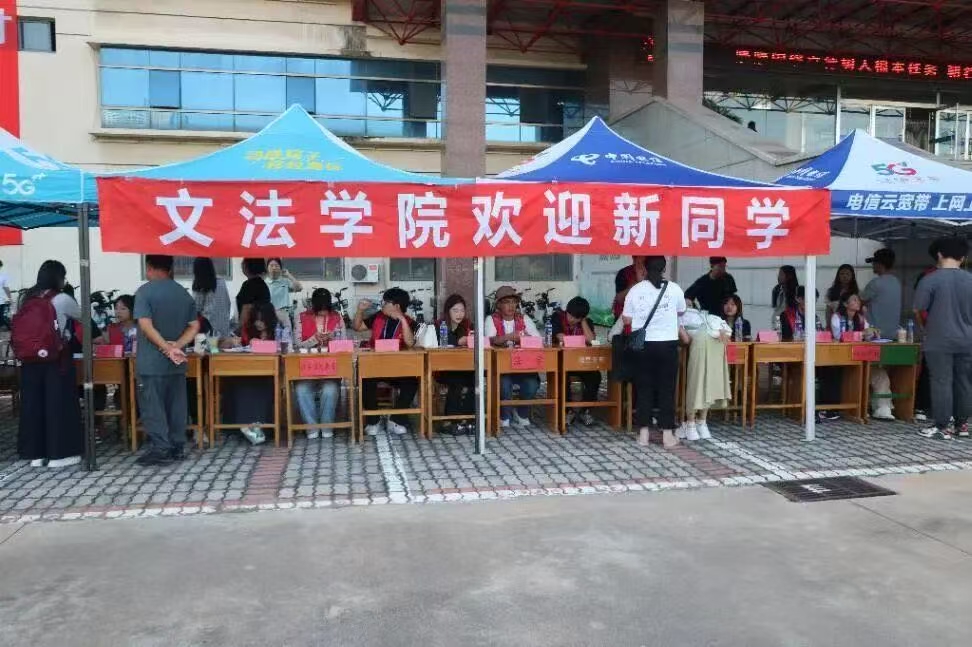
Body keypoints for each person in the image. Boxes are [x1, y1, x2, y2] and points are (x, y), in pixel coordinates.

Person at [15, 260, 83, 468]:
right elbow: (83, 317)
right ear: (59, 278)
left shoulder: (25, 299)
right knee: (58, 404)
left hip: (29, 360)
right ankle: (59, 455)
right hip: (56, 360)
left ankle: (36, 455)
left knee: (33, 405)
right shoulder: (62, 298)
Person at [133, 255, 200, 466]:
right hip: (177, 362)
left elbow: (146, 325)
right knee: (176, 405)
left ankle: (161, 448)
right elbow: (194, 326)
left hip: (151, 362)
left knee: (153, 406)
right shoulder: (183, 293)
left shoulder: (144, 292)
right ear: (170, 268)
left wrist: (166, 348)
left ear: (149, 267)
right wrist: (177, 346)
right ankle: (177, 447)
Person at [622, 256, 686, 448]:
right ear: (664, 269)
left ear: (644, 268)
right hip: (668, 345)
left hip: (643, 346)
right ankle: (667, 435)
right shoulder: (674, 289)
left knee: (644, 388)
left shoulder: (635, 290)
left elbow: (626, 319)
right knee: (667, 389)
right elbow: (681, 311)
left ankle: (643, 435)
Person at [913, 237, 972, 440]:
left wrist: (925, 329)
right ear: (963, 258)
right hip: (967, 340)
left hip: (939, 339)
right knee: (964, 382)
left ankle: (942, 426)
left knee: (941, 381)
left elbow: (919, 310)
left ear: (939, 254)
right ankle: (962, 425)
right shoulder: (970, 279)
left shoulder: (930, 279)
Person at [353, 287, 418, 436]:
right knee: (365, 379)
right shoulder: (378, 316)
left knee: (412, 382)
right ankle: (373, 421)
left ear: (396, 306)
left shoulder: (409, 322)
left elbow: (410, 343)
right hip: (375, 365)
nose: (382, 305)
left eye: (385, 302)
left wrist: (402, 319)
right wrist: (360, 310)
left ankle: (396, 420)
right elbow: (357, 327)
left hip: (399, 367)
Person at [484, 285, 542, 429]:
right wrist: (509, 337)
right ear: (498, 305)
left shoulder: (524, 318)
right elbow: (489, 340)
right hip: (501, 368)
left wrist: (524, 338)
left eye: (513, 302)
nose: (511, 306)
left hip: (523, 366)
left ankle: (521, 413)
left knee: (532, 383)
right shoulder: (491, 319)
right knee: (503, 384)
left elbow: (537, 340)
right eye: (506, 302)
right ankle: (505, 415)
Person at [221, 302, 278, 445]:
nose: (258, 323)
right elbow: (224, 342)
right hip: (244, 371)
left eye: (262, 320)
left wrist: (261, 344)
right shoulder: (246, 329)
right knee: (235, 384)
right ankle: (242, 427)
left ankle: (261, 428)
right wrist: (231, 342)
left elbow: (284, 347)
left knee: (261, 388)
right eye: (256, 320)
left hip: (268, 374)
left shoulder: (277, 330)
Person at [295, 288, 344, 439]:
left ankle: (327, 427)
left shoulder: (337, 317)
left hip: (330, 368)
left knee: (330, 389)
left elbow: (343, 343)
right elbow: (297, 344)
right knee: (301, 389)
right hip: (307, 368)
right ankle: (311, 429)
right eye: (320, 308)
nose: (323, 312)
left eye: (325, 308)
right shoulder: (301, 317)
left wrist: (332, 338)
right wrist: (314, 338)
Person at [679, 303, 732, 442]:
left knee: (696, 382)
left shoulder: (678, 316)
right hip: (718, 340)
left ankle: (690, 424)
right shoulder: (707, 316)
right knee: (710, 381)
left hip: (700, 342)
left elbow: (685, 339)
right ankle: (702, 423)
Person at [554, 296, 600, 426]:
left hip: (581, 363)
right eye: (570, 315)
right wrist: (579, 340)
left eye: (576, 318)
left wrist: (583, 322)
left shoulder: (586, 321)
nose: (571, 319)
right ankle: (567, 411)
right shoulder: (557, 317)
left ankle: (585, 411)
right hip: (562, 362)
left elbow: (592, 340)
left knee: (595, 376)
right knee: (561, 377)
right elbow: (560, 336)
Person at [433, 294, 475, 434]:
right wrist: (459, 342)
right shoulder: (439, 325)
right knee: (457, 381)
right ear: (448, 311)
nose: (459, 314)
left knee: (475, 380)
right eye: (455, 310)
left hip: (464, 367)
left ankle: (468, 419)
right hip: (443, 368)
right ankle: (449, 421)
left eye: (462, 310)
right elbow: (444, 343)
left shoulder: (467, 325)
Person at [860, 248, 902, 339]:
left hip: (875, 335)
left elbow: (859, 302)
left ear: (879, 264)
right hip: (893, 335)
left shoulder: (875, 283)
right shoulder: (896, 282)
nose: (872, 265)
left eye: (874, 262)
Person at [192, 257, 232, 338]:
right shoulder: (221, 282)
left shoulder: (200, 285)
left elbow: (196, 309)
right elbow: (228, 303)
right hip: (224, 330)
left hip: (207, 331)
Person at [235, 258, 270, 334]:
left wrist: (239, 330)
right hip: (262, 328)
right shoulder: (263, 285)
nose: (241, 265)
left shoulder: (248, 285)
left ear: (248, 266)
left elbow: (246, 309)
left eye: (243, 263)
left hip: (250, 329)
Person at [266, 258, 302, 329]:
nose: (274, 268)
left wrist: (289, 275)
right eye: (271, 265)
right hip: (268, 314)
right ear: (267, 268)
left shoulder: (285, 281)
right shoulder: (264, 283)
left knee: (286, 333)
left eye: (276, 265)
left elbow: (299, 288)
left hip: (283, 313)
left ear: (280, 268)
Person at [612, 256, 647, 321]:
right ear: (634, 259)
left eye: (644, 262)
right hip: (622, 317)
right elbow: (619, 299)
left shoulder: (651, 272)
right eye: (639, 263)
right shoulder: (624, 273)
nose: (641, 266)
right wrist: (635, 285)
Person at [0, 259, 11, 330]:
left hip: (1, 300)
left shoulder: (3, 276)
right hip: (2, 300)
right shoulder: (3, 276)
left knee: (2, 316)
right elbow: (6, 288)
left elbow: (6, 288)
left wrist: (9, 298)